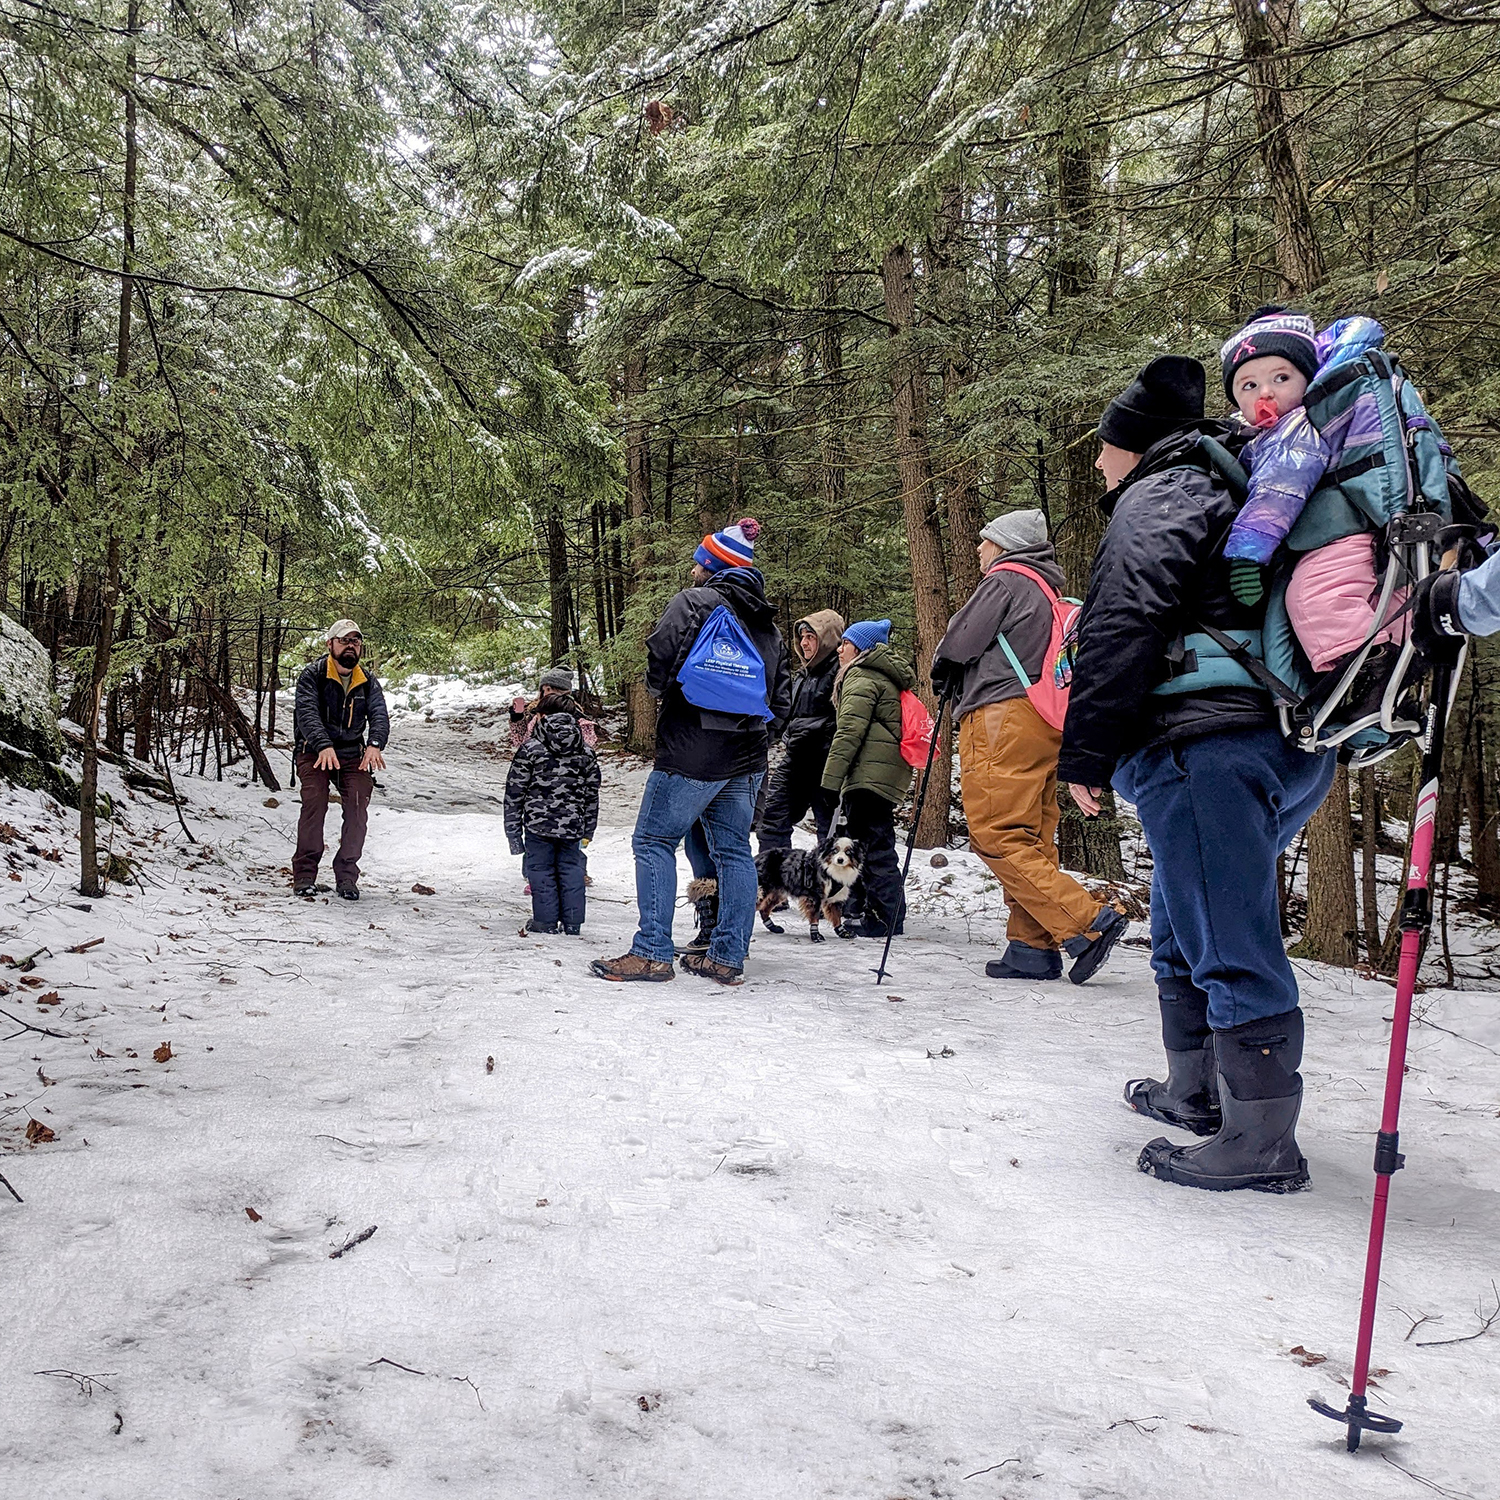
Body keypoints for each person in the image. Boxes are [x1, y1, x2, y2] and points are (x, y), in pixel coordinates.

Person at [1060, 354, 1336, 1193]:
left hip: (1209, 746)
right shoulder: (1225, 483)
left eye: (1103, 448)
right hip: (1262, 743)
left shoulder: (1167, 488)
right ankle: (1197, 1093)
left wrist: (1087, 748)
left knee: (1226, 936)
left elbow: (1127, 612)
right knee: (1188, 919)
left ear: (1132, 444)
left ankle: (1259, 1144)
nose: (1098, 463)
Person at [591, 519, 790, 986]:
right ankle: (726, 957)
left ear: (712, 565)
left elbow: (659, 657)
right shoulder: (768, 627)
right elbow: (781, 702)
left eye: (700, 562)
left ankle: (653, 952)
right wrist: (755, 736)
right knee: (734, 852)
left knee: (653, 841)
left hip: (692, 751)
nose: (695, 570)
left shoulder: (693, 602)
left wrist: (667, 693)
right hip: (747, 758)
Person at [932, 510, 1125, 984]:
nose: (979, 549)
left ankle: (1087, 921)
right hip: (1042, 721)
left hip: (1001, 717)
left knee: (996, 835)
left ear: (1005, 545)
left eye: (986, 540)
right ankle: (1030, 948)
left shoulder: (1007, 580)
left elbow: (958, 642)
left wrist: (942, 670)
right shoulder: (1046, 589)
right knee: (1031, 838)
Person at [819, 619, 913, 939]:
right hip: (882, 773)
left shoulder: (860, 676)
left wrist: (830, 782)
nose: (840, 648)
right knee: (875, 843)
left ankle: (886, 917)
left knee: (874, 848)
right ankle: (879, 910)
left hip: (867, 775)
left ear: (859, 648)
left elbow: (849, 732)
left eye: (845, 643)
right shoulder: (883, 677)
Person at [292, 619, 390, 901]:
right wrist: (322, 745)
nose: (351, 646)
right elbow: (307, 712)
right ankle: (305, 876)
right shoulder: (313, 674)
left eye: (355, 641)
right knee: (315, 803)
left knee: (358, 808)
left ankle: (347, 876)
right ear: (330, 644)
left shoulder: (367, 680)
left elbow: (379, 714)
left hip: (351, 753)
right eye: (345, 640)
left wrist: (374, 744)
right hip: (314, 750)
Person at [504, 694, 601, 935]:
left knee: (540, 870)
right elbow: (592, 794)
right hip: (573, 826)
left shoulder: (531, 749)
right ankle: (572, 922)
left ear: (541, 717)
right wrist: (588, 829)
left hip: (538, 826)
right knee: (572, 869)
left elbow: (514, 793)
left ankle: (545, 922)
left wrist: (513, 834)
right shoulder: (586, 752)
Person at [757, 609, 845, 853]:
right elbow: (791, 716)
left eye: (811, 637)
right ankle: (773, 882)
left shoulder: (841, 672)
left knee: (831, 835)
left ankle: (830, 889)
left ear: (827, 638)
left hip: (826, 766)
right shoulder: (803, 674)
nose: (804, 643)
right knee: (772, 820)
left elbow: (845, 721)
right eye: (802, 637)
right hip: (795, 760)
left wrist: (804, 730)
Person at [509, 667, 598, 749]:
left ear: (563, 691)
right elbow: (522, 744)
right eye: (543, 690)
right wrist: (517, 718)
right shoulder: (537, 716)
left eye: (548, 689)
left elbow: (585, 752)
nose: (545, 694)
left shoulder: (579, 720)